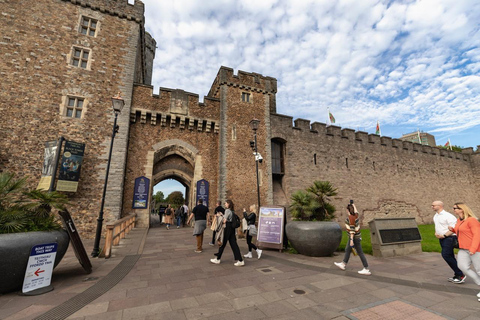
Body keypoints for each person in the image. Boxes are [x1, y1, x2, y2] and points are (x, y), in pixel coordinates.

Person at [448, 203, 480, 301]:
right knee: (462, 267)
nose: (453, 210)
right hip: (463, 248)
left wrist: (473, 249)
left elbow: (477, 235)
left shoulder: (472, 220)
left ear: (462, 209)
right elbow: (462, 231)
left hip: (475, 249)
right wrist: (453, 229)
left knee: (479, 270)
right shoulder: (459, 220)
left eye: (455, 208)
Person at [432, 200, 466, 283]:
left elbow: (454, 228)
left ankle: (460, 274)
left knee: (446, 255)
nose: (432, 207)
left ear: (440, 206)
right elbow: (439, 226)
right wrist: (437, 233)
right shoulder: (436, 216)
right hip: (442, 238)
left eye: (433, 205)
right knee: (450, 256)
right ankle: (457, 275)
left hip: (449, 238)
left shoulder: (448, 216)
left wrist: (444, 235)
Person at [334, 202, 371, 275]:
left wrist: (351, 240)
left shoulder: (351, 218)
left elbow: (352, 230)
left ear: (347, 210)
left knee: (360, 252)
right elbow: (356, 211)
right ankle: (343, 264)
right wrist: (353, 205)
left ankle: (366, 268)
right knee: (347, 249)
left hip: (354, 238)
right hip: (357, 237)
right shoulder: (356, 215)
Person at [210, 199, 244, 266]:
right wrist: (223, 215)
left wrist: (219, 216)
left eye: (225, 203)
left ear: (228, 204)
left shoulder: (227, 210)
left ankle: (217, 259)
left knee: (223, 243)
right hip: (232, 228)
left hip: (227, 228)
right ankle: (240, 260)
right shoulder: (232, 211)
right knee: (234, 244)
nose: (225, 204)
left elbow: (224, 221)